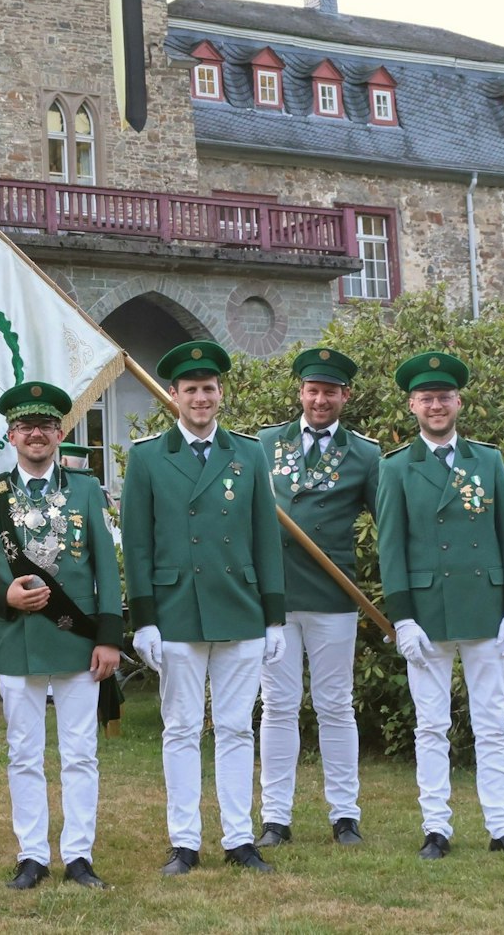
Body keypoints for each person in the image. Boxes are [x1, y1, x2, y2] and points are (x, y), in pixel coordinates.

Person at [123, 341, 286, 876]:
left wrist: (274, 615)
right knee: (181, 728)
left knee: (238, 728)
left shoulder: (248, 452)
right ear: (173, 396)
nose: (200, 398)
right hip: (176, 610)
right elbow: (138, 543)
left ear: (221, 394)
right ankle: (185, 842)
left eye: (208, 389)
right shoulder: (148, 456)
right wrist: (143, 618)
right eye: (190, 389)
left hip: (238, 606)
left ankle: (239, 838)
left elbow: (266, 536)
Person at [0, 381, 121, 892]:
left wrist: (110, 637)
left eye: (46, 426)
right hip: (20, 639)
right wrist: (0, 596)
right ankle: (32, 855)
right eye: (26, 427)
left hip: (78, 640)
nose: (36, 434)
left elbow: (106, 571)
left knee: (80, 753)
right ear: (11, 435)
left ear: (60, 432)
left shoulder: (86, 490)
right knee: (24, 753)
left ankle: (78, 855)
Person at [378, 351, 504, 861]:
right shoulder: (397, 467)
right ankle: (436, 828)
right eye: (427, 399)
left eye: (444, 397)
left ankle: (502, 826)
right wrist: (401, 617)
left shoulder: (486, 460)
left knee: (491, 722)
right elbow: (391, 549)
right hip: (427, 611)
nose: (437, 406)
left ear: (458, 401)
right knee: (431, 724)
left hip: (484, 607)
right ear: (412, 405)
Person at [254, 348, 377, 849]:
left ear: (345, 395)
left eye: (331, 391)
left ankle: (344, 815)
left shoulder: (365, 454)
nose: (320, 399)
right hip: (276, 599)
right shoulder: (263, 445)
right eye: (313, 390)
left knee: (335, 705)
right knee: (278, 706)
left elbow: (389, 523)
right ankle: (275, 818)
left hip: (333, 595)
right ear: (300, 393)